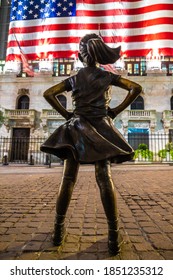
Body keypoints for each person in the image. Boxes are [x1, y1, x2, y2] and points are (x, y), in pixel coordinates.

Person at [40, 33, 142, 254]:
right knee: (104, 179)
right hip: (101, 128)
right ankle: (114, 238)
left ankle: (58, 232)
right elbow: (136, 88)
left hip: (75, 127)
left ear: (80, 55)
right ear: (99, 55)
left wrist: (67, 114)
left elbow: (48, 93)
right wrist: (114, 111)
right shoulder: (107, 76)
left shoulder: (74, 79)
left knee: (68, 179)